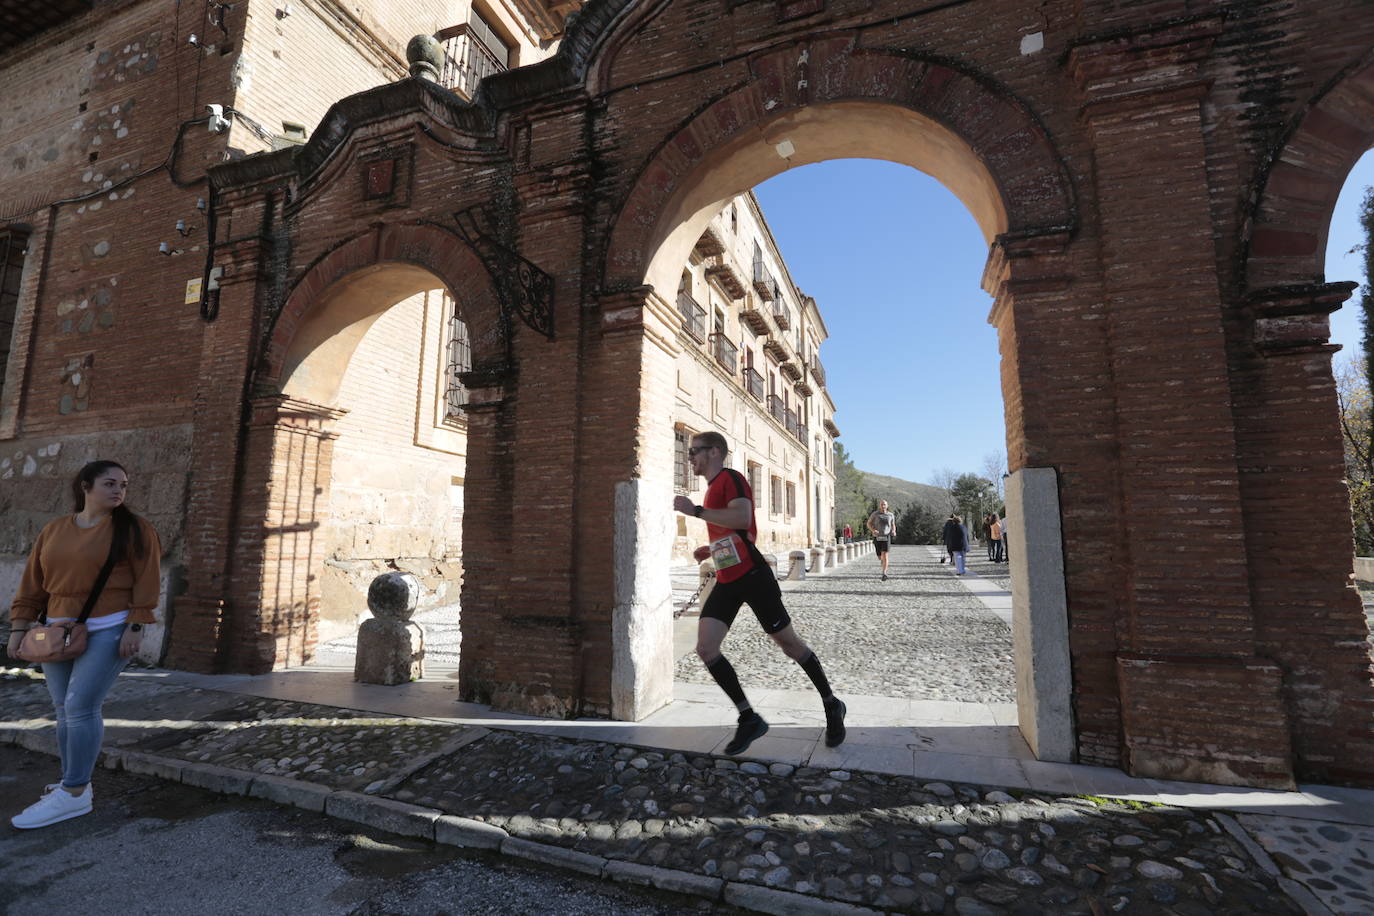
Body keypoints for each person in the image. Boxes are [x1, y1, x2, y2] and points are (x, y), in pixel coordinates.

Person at [7, 460, 161, 829]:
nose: (118, 490)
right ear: (85, 486)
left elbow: (147, 579)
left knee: (80, 705)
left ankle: (74, 792)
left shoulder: (135, 529)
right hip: (56, 628)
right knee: (62, 707)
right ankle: (71, 785)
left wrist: (136, 625)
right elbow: (33, 583)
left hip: (109, 627)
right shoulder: (55, 529)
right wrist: (18, 627)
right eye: (110, 483)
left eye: (123, 484)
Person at [673, 431, 846, 756]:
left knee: (790, 645)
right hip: (727, 577)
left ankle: (831, 703)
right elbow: (734, 533)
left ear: (713, 452)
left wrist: (695, 511)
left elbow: (742, 518)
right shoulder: (713, 489)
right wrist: (709, 548)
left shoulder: (732, 479)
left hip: (753, 575)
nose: (690, 457)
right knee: (706, 648)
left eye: (694, 451)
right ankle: (749, 718)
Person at [867, 500, 895, 581]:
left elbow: (893, 525)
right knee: (880, 557)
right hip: (877, 537)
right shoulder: (875, 514)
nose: (883, 506)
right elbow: (868, 523)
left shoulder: (890, 515)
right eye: (882, 504)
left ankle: (884, 573)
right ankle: (882, 561)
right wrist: (873, 530)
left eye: (884, 504)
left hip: (886, 537)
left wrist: (893, 531)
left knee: (885, 554)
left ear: (887, 506)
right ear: (880, 506)